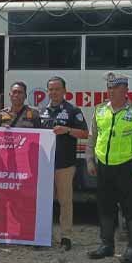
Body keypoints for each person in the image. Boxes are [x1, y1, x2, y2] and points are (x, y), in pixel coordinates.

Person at [85, 72, 132, 263]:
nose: (111, 92)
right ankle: (107, 245)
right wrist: (90, 160)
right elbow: (92, 137)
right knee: (105, 207)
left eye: (116, 88)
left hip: (127, 166)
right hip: (104, 167)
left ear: (126, 90)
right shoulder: (99, 110)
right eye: (109, 88)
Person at [40, 76, 89, 251]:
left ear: (64, 91)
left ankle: (66, 236)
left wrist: (67, 130)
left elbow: (85, 133)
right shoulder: (41, 111)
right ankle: (43, 236)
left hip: (65, 164)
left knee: (65, 201)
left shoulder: (72, 110)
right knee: (44, 202)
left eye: (57, 89)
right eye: (51, 89)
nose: (54, 92)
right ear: (47, 91)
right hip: (44, 164)